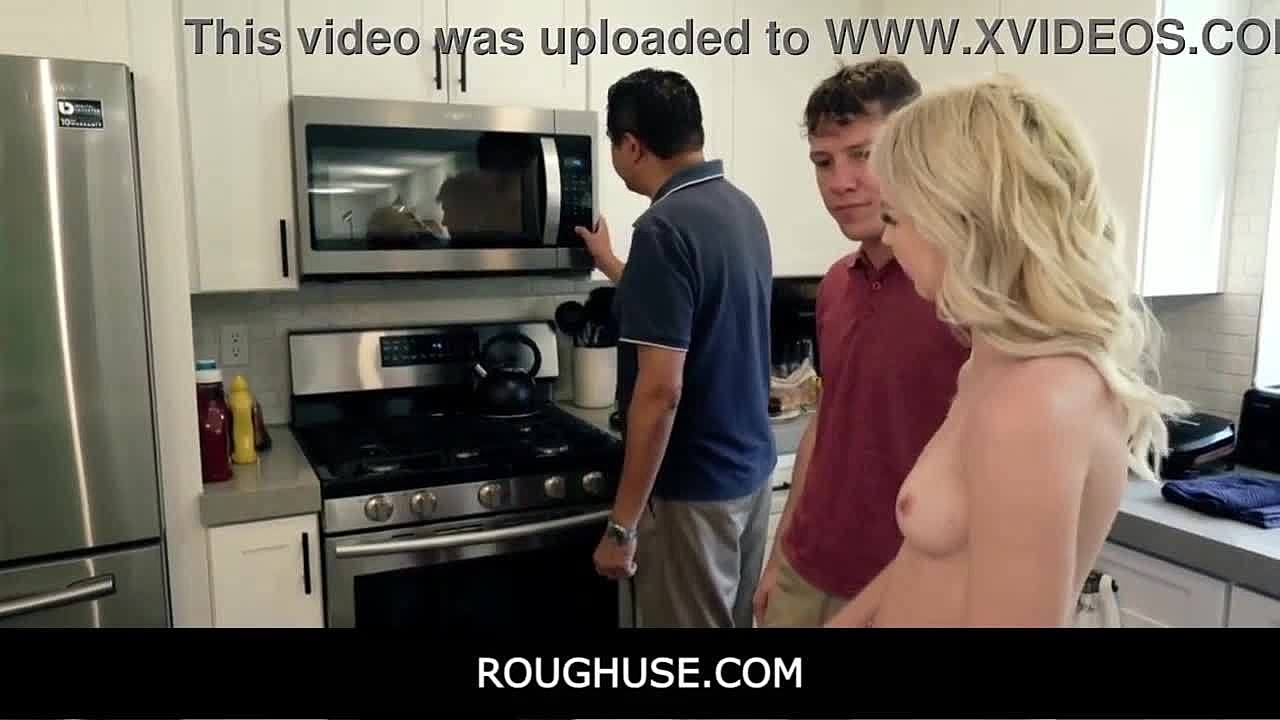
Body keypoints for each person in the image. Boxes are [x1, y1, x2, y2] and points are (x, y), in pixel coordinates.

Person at [827, 75, 1190, 627]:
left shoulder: (1035, 403)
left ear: (961, 223)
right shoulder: (990, 365)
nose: (891, 240)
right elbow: (926, 556)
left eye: (896, 218)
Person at [754, 58, 970, 628]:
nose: (839, 182)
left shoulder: (964, 292)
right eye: (823, 162)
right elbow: (826, 424)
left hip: (912, 586)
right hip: (806, 571)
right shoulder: (835, 285)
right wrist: (780, 554)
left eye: (863, 155)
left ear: (914, 153)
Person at [574, 68, 777, 628]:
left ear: (631, 146)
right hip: (748, 476)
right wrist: (611, 264)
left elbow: (661, 392)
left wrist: (622, 526)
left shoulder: (662, 228)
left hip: (692, 490)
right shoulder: (740, 209)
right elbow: (689, 308)